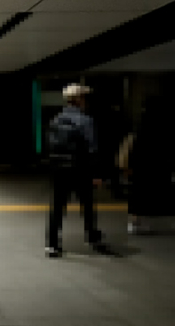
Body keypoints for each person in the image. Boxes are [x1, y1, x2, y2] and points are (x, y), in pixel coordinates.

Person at [45, 84, 107, 258]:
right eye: (84, 97)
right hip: (81, 168)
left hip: (59, 169)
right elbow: (92, 148)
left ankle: (52, 243)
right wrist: (96, 174)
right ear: (79, 99)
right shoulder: (86, 120)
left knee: (57, 206)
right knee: (87, 204)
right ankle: (92, 236)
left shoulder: (56, 119)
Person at [126, 97, 175, 234]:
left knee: (140, 193)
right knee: (168, 191)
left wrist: (132, 165)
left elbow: (136, 148)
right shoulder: (165, 126)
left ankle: (136, 221)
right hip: (161, 166)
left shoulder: (142, 126)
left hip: (143, 167)